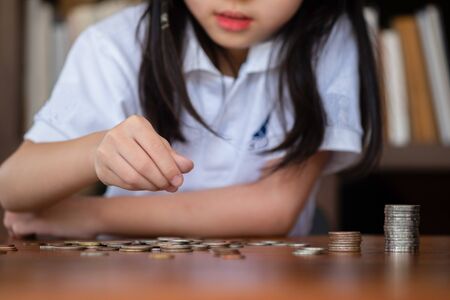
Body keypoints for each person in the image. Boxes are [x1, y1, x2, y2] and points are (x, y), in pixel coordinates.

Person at [0, 0, 381, 239]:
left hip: (272, 277)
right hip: (131, 276)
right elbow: (12, 186)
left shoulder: (330, 36)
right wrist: (95, 152)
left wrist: (90, 214)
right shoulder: (115, 43)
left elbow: (276, 207)